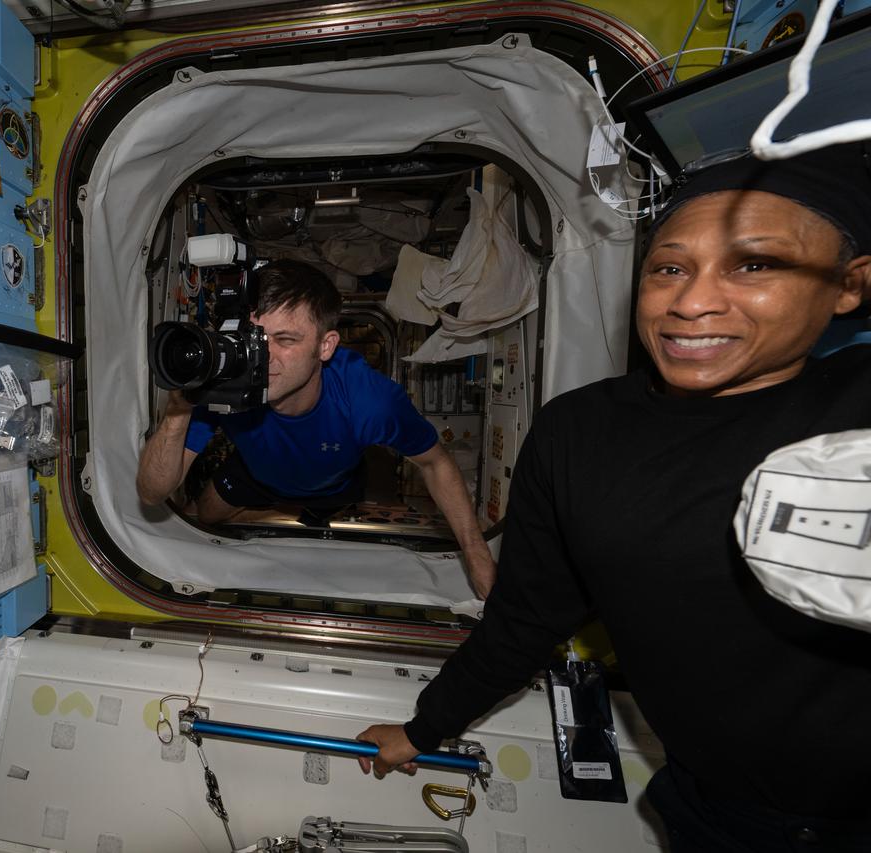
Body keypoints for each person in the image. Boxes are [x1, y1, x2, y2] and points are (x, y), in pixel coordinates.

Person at [353, 144, 871, 851]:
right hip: (720, 816)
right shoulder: (579, 434)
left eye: (754, 264)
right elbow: (522, 622)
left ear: (850, 285)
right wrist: (422, 728)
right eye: (669, 268)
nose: (691, 301)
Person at [136, 259, 497, 598]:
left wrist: (475, 551)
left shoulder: (369, 402)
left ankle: (300, 512)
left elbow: (436, 463)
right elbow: (153, 494)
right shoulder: (227, 382)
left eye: (285, 340)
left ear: (325, 346)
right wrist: (179, 408)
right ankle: (284, 512)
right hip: (256, 470)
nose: (264, 356)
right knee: (208, 513)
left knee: (325, 521)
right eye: (255, 337)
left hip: (334, 484)